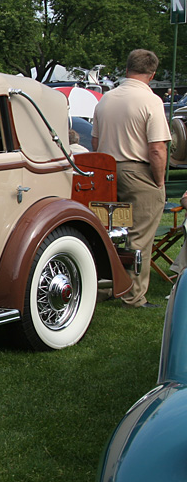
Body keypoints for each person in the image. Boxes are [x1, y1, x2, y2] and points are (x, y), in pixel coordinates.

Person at [92, 49, 170, 308]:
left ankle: (104, 286)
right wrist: (158, 182)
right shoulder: (151, 101)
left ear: (127, 70)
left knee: (110, 233)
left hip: (107, 173)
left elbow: (94, 142)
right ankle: (133, 295)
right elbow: (157, 148)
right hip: (138, 171)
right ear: (152, 74)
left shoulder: (105, 100)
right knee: (140, 236)